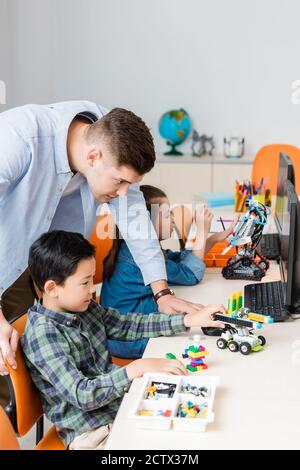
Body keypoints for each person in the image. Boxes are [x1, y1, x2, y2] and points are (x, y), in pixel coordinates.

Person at [0, 101, 205, 405]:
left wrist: (162, 294)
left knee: (18, 362)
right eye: (120, 181)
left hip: (42, 268)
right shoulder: (19, 137)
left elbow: (137, 224)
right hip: (7, 260)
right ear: (93, 157)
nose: (124, 193)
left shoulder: (109, 138)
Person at [21, 231, 225, 450]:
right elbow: (82, 394)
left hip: (118, 405)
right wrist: (134, 369)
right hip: (91, 432)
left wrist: (188, 319)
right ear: (52, 288)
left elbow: (129, 325)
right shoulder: (43, 334)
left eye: (92, 278)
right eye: (85, 282)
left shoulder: (83, 307)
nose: (93, 288)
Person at [101, 185, 236, 358]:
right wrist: (201, 233)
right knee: (194, 343)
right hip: (127, 339)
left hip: (129, 327)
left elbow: (181, 260)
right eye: (167, 215)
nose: (173, 219)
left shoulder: (139, 248)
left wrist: (214, 238)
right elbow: (191, 274)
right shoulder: (141, 257)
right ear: (146, 224)